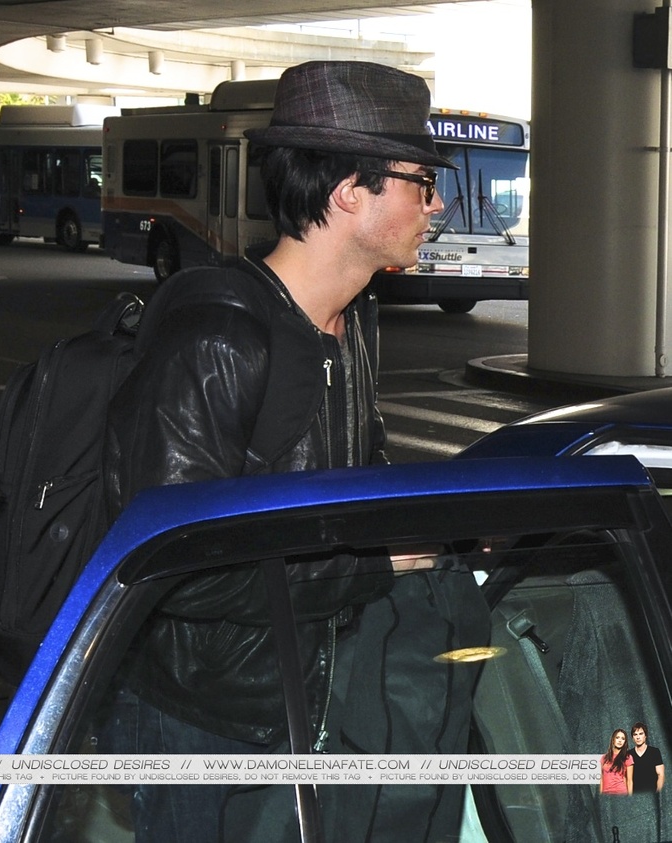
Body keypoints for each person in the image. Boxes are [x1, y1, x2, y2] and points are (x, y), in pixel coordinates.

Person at [103, 60, 489, 841]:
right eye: (421, 182)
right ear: (350, 191)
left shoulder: (353, 323)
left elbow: (354, 483)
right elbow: (169, 565)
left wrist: (440, 525)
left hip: (311, 694)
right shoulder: (216, 341)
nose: (436, 203)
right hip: (211, 722)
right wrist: (372, 565)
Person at [629, 722, 665, 794]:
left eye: (641, 734)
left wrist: (657, 793)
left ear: (645, 736)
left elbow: (661, 775)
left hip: (651, 794)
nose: (638, 737)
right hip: (635, 795)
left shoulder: (654, 752)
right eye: (635, 734)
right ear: (632, 737)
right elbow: (627, 778)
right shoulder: (628, 754)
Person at [600, 728, 634, 795]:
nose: (620, 740)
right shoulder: (604, 758)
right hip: (606, 793)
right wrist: (601, 794)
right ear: (613, 740)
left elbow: (630, 781)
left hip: (620, 792)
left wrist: (630, 798)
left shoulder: (628, 757)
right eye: (617, 737)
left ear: (625, 742)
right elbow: (601, 778)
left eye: (623, 739)